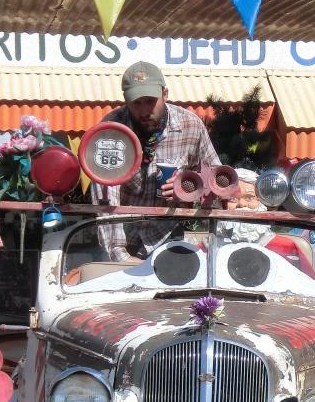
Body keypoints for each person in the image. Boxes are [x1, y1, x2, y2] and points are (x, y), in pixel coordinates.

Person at [92, 61, 221, 261]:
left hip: (171, 235)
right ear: (125, 100)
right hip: (125, 237)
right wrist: (120, 256)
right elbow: (106, 194)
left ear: (165, 94)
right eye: (137, 103)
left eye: (150, 101)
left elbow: (216, 182)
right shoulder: (111, 130)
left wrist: (188, 188)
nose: (144, 111)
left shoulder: (191, 125)